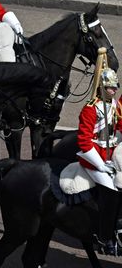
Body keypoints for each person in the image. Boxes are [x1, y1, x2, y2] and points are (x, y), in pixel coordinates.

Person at [76, 57, 122, 256]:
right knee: (111, 192)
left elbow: (119, 128)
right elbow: (84, 141)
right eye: (110, 87)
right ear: (102, 88)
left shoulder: (114, 105)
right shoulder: (90, 108)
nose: (114, 90)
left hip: (110, 153)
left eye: (115, 87)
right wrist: (101, 165)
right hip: (93, 157)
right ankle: (104, 238)